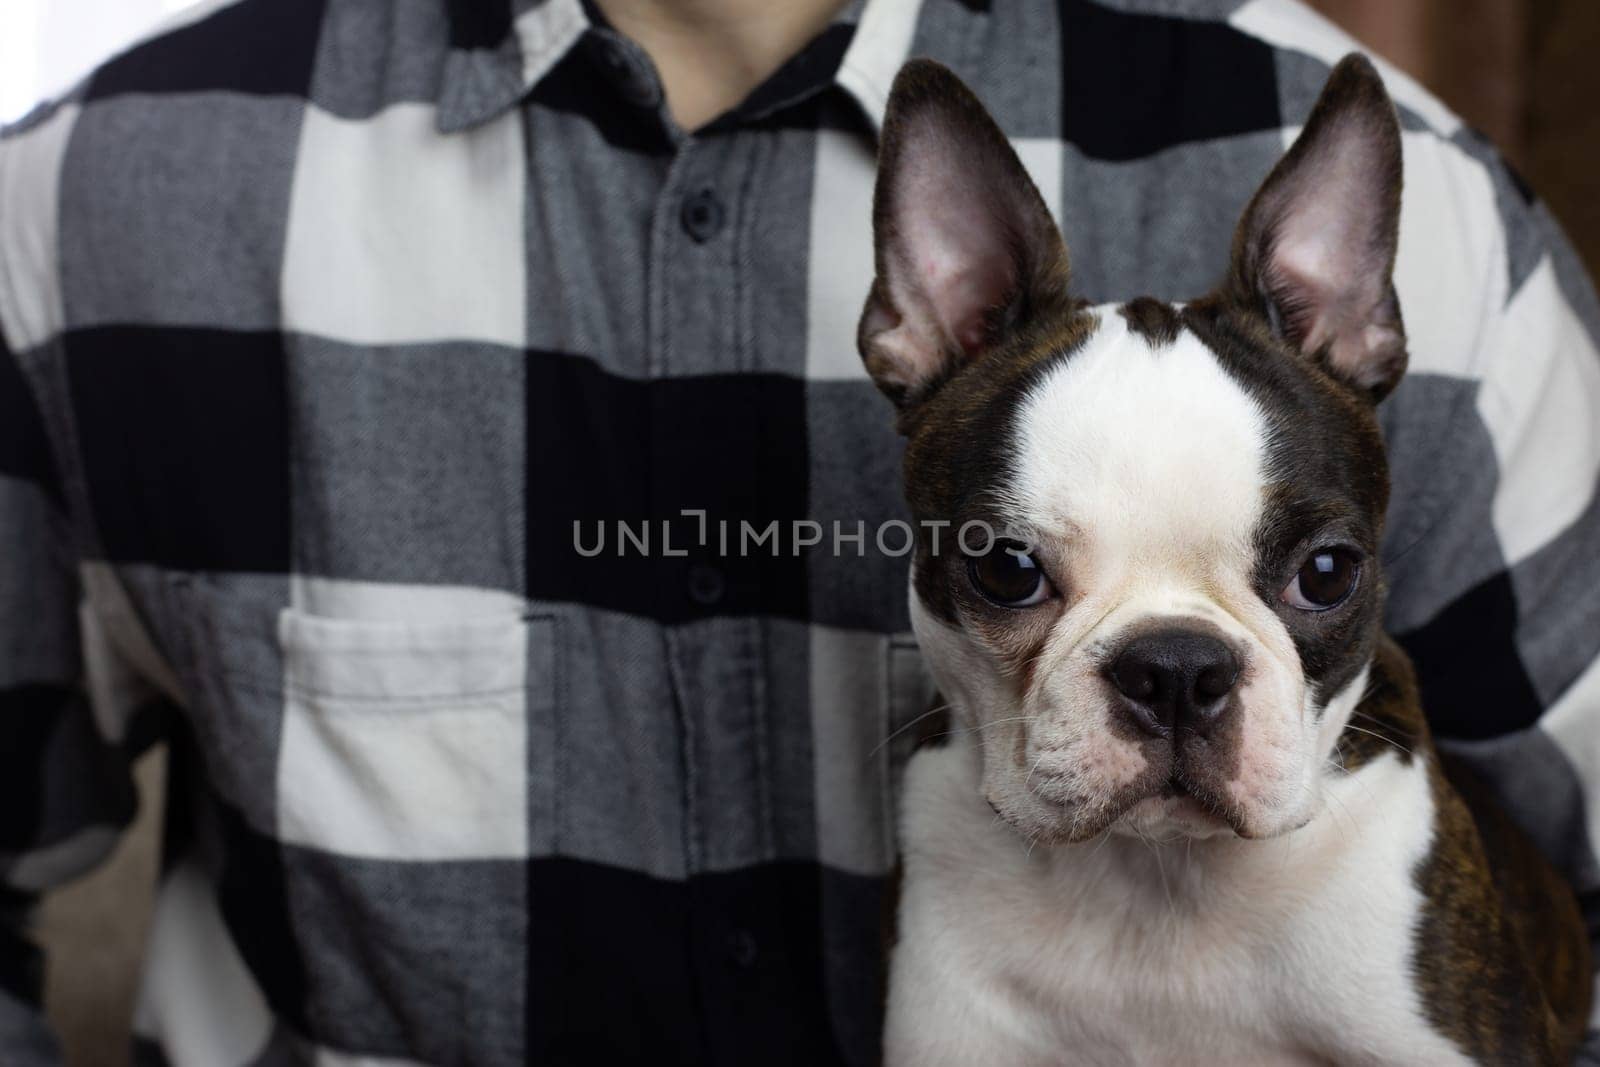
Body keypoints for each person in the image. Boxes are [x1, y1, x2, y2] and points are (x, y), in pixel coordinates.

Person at [1, 0, 1596, 1063]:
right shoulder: (102, 197)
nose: (1172, 673)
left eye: (1311, 577)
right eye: (1020, 575)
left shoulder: (1442, 210)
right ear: (918, 324)